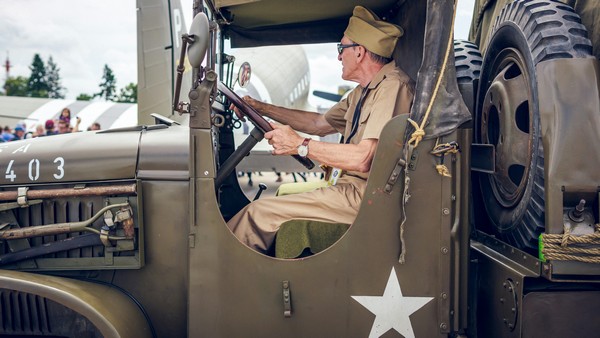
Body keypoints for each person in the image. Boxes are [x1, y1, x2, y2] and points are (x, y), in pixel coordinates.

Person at [227, 6, 415, 253]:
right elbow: (318, 123)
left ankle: (219, 282)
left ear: (359, 52)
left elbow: (364, 158)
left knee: (255, 215)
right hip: (350, 189)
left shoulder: (393, 88)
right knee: (282, 193)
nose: (338, 57)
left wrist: (300, 146)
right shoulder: (362, 92)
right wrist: (259, 107)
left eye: (342, 48)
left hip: (367, 198)